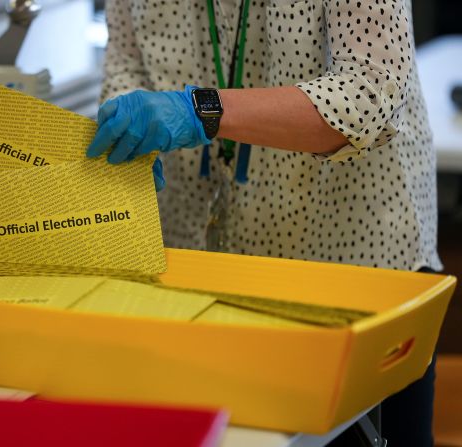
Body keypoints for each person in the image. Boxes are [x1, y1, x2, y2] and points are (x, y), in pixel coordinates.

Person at [86, 0, 441, 445]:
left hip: (346, 251)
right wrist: (128, 125)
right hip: (197, 258)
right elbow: (126, 57)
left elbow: (369, 93)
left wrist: (201, 110)